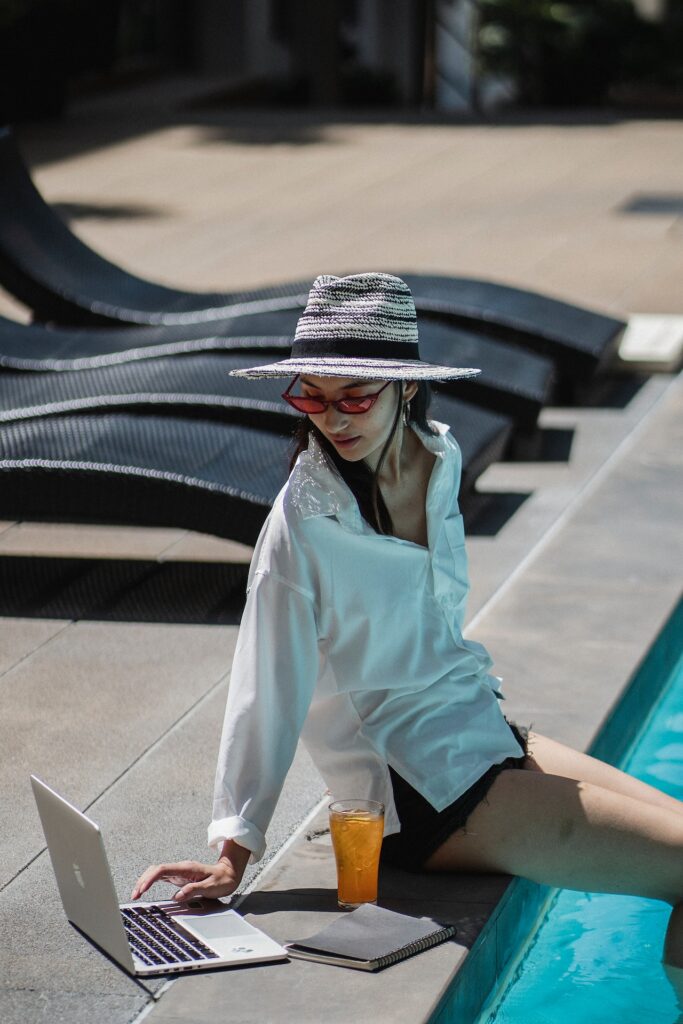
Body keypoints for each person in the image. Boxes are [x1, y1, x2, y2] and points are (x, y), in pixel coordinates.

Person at [133, 273, 683, 978]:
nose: (333, 420)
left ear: (408, 390)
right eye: (311, 397)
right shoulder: (301, 525)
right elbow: (265, 685)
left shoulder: (440, 457)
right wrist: (234, 848)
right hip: (418, 792)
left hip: (478, 733)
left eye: (355, 397)